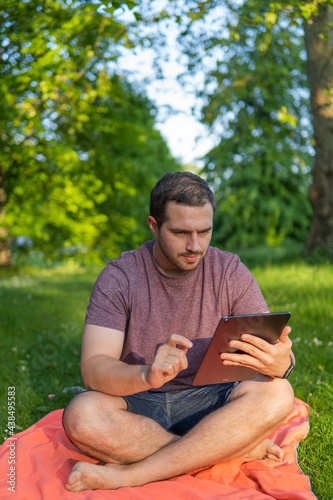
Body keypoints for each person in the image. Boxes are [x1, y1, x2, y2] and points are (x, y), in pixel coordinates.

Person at [62, 171, 295, 492]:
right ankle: (228, 450)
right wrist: (147, 374)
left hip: (214, 401)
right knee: (81, 415)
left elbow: (276, 354)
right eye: (180, 232)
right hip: (140, 402)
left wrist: (280, 363)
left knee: (279, 392)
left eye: (205, 231)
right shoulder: (119, 276)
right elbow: (93, 368)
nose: (195, 245)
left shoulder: (229, 271)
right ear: (154, 225)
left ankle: (132, 474)